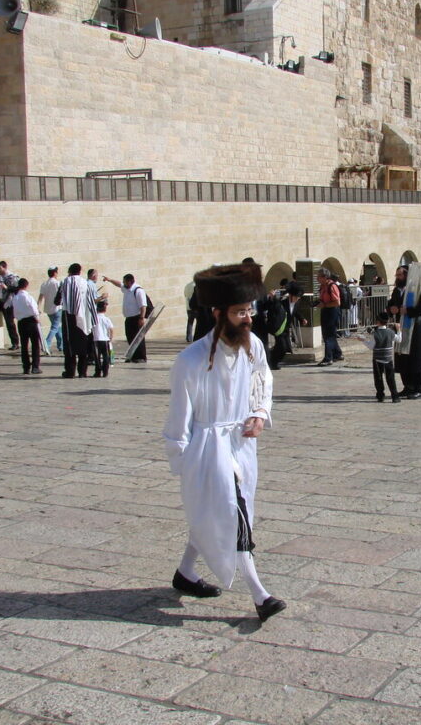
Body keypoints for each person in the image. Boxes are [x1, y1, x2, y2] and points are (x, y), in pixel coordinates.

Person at [163, 262, 285, 624]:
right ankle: (260, 595)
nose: (247, 318)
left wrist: (260, 414)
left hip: (242, 445)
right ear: (218, 314)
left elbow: (263, 383)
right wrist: (183, 462)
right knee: (235, 516)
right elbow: (178, 418)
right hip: (207, 450)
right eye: (238, 312)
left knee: (217, 512)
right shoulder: (190, 361)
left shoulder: (254, 346)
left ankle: (186, 573)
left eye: (249, 310)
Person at [388, 266, 421, 399]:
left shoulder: (416, 290)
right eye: (396, 275)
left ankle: (419, 388)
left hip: (415, 329)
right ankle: (408, 386)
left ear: (406, 276)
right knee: (402, 358)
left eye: (399, 275)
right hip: (401, 328)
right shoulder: (396, 290)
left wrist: (409, 311)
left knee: (415, 359)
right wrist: (391, 309)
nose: (397, 277)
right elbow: (391, 304)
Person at [56, 263, 97, 378]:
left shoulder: (65, 282)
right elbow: (90, 301)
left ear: (69, 271)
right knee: (83, 344)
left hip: (69, 316)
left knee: (69, 345)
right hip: (84, 316)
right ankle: (82, 372)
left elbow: (57, 300)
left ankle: (70, 371)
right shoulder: (85, 283)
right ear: (80, 271)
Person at [104, 274, 149, 362]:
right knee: (130, 337)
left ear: (130, 282)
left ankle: (141, 357)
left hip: (137, 318)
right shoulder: (126, 288)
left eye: (125, 282)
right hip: (129, 318)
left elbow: (143, 306)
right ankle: (132, 356)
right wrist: (109, 280)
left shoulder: (138, 291)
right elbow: (119, 284)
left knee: (138, 338)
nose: (123, 283)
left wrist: (141, 318)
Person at [361, 311, 400, 403]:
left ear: (377, 322)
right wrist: (399, 330)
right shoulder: (390, 332)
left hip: (377, 359)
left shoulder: (376, 333)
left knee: (378, 378)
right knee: (390, 378)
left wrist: (363, 340)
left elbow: (371, 346)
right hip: (388, 359)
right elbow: (399, 339)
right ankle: (395, 396)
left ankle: (380, 395)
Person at [270, 284, 305, 370]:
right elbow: (275, 306)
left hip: (286, 328)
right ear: (290, 295)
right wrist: (273, 297)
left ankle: (271, 360)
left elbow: (296, 312)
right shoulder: (283, 302)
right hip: (279, 328)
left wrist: (302, 319)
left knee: (285, 348)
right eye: (296, 297)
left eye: (299, 297)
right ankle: (272, 362)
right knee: (282, 347)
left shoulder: (296, 303)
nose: (297, 299)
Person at [12, 278, 42, 374]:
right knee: (35, 345)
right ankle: (35, 366)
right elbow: (34, 308)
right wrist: (37, 318)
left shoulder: (15, 298)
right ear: (26, 286)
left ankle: (26, 367)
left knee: (24, 346)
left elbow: (15, 312)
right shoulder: (28, 296)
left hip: (21, 322)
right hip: (31, 321)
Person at [315, 268, 343, 366]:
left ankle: (328, 358)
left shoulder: (332, 286)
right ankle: (338, 353)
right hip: (326, 311)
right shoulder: (323, 286)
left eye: (319, 276)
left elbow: (337, 302)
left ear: (325, 277)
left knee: (328, 335)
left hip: (332, 312)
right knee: (329, 334)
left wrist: (325, 305)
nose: (317, 278)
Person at [0, 261, 20, 350]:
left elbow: (17, 289)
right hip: (3, 302)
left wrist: (7, 288)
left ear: (5, 267)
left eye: (0, 268)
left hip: (11, 302)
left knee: (11, 323)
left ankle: (16, 342)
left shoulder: (12, 277)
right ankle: (14, 342)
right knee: (9, 323)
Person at [38, 267, 63, 354]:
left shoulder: (44, 284)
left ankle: (61, 345)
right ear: (55, 273)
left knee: (57, 327)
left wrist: (38, 307)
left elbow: (40, 297)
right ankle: (46, 344)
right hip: (57, 308)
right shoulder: (57, 283)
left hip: (48, 309)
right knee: (55, 327)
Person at [93, 301, 114, 377]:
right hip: (105, 340)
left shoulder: (94, 318)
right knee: (106, 357)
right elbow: (111, 329)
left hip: (96, 340)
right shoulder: (106, 319)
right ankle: (105, 372)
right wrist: (111, 338)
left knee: (97, 357)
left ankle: (97, 372)